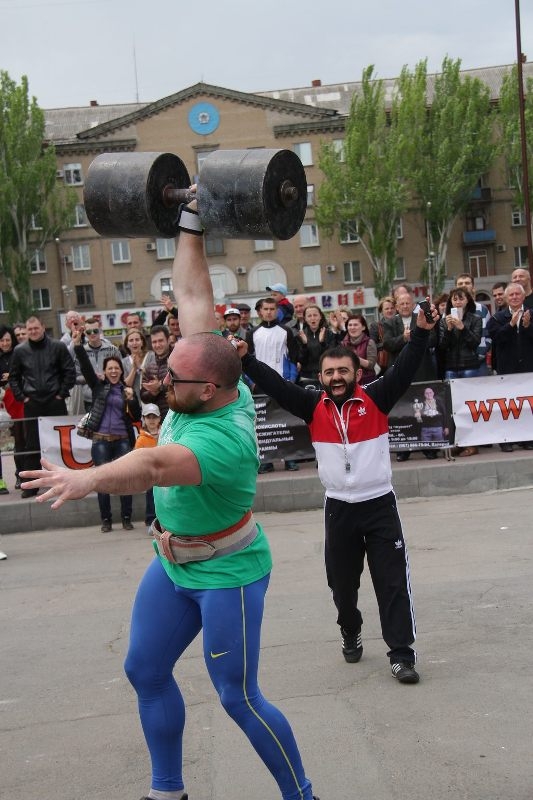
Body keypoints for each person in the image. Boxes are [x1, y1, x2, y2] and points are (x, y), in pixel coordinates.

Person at [20, 199, 318, 800]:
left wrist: (86, 480)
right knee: (145, 669)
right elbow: (192, 293)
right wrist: (190, 224)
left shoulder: (222, 443)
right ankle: (167, 791)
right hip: (173, 561)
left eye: (170, 377)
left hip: (227, 572)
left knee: (238, 697)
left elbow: (153, 465)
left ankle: (302, 796)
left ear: (207, 388)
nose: (158, 378)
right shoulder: (211, 379)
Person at [235, 299, 440, 685]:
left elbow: (406, 366)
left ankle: (401, 654)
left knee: (392, 583)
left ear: (356, 373)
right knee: (342, 586)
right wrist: (246, 360)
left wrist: (422, 332)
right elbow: (277, 386)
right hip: (339, 508)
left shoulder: (376, 397)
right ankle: (350, 628)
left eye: (343, 370)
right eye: (329, 372)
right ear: (321, 376)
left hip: (379, 504)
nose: (336, 377)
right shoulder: (313, 405)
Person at [72, 326, 141, 532]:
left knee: (125, 481)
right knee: (101, 482)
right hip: (100, 441)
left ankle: (126, 518)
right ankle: (106, 520)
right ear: (105, 371)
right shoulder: (98, 386)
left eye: (116, 368)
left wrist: (132, 400)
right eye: (110, 368)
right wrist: (78, 344)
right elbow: (85, 366)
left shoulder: (127, 390)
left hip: (122, 441)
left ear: (121, 371)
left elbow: (136, 416)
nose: (113, 371)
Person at [9, 315, 76, 498]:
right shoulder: (20, 351)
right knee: (32, 444)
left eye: (36, 328)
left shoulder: (58, 346)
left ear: (43, 327)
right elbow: (13, 377)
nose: (33, 332)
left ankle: (63, 482)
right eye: (30, 329)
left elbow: (69, 371)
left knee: (60, 443)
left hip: (55, 401)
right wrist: (22, 397)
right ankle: (30, 486)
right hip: (32, 403)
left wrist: (61, 393)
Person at [246, 297, 300, 473]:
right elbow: (246, 360)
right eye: (266, 309)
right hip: (260, 384)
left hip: (282, 382)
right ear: (260, 312)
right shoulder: (252, 333)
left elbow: (293, 359)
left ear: (277, 310)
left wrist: (291, 380)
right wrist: (252, 382)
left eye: (272, 309)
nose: (269, 312)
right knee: (264, 425)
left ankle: (290, 459)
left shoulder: (286, 331)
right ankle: (267, 461)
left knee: (287, 421)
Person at [383, 293, 437, 461]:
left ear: (413, 304)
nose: (405, 306)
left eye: (408, 303)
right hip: (401, 373)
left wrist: (416, 337)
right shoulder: (389, 323)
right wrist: (403, 338)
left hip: (422, 371)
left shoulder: (421, 317)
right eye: (402, 304)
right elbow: (387, 344)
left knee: (425, 412)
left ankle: (429, 448)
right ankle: (404, 449)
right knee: (403, 412)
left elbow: (433, 339)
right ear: (397, 307)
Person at [486, 282, 533, 452]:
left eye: (517, 294)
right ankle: (506, 440)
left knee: (527, 407)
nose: (514, 297)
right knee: (507, 407)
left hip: (528, 368)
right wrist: (511, 325)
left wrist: (527, 327)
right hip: (506, 370)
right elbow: (497, 338)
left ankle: (527, 438)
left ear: (523, 296)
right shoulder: (497, 318)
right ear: (506, 298)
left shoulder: (531, 314)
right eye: (511, 295)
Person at [439, 288, 482, 458]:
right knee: (453, 407)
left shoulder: (475, 318)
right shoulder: (445, 320)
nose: (457, 302)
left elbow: (475, 343)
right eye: (454, 299)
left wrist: (462, 328)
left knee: (469, 406)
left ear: (467, 300)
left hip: (469, 366)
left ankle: (472, 443)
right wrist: (449, 329)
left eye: (461, 299)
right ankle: (459, 442)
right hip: (451, 367)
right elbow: (442, 346)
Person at [71, 317, 122, 412]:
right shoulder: (81, 352)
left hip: (111, 396)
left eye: (95, 331)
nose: (92, 334)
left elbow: (121, 372)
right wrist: (91, 377)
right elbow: (76, 377)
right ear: (85, 333)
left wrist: (107, 377)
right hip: (89, 399)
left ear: (100, 330)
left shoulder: (112, 350)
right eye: (89, 332)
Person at [0, 325, 25, 491]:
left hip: (16, 402)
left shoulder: (19, 354)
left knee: (21, 440)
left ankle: (21, 475)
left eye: (7, 340)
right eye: (2, 340)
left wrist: (12, 376)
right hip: (2, 402)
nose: (5, 343)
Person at [455, 273, 491, 375]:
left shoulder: (482, 309)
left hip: (478, 363)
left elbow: (487, 335)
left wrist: (480, 355)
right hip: (455, 364)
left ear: (473, 286)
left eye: (467, 283)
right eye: (460, 283)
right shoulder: (449, 310)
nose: (463, 285)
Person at [134, 403, 162, 533]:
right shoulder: (141, 439)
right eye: (148, 417)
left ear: (159, 418)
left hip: (166, 471)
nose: (151, 420)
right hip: (150, 474)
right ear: (144, 419)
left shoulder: (165, 433)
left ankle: (163, 520)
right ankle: (151, 520)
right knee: (151, 495)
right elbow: (137, 458)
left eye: (154, 417)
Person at [297, 304, 335, 387]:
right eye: (309, 316)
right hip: (306, 376)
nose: (312, 318)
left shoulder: (328, 333)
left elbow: (331, 356)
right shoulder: (301, 334)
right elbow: (301, 360)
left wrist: (322, 343)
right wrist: (304, 345)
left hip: (325, 374)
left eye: (315, 315)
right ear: (305, 319)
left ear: (320, 316)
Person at [140, 325, 172, 420]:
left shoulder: (177, 360)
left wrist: (159, 386)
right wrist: (153, 392)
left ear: (168, 340)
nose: (157, 345)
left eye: (160, 341)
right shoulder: (149, 367)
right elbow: (143, 397)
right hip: (158, 420)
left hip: (178, 415)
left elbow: (182, 385)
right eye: (154, 342)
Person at [340, 314, 377, 383]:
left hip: (366, 380)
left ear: (363, 327)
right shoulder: (343, 343)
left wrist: (355, 357)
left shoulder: (369, 342)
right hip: (349, 380)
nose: (352, 327)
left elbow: (371, 365)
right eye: (350, 325)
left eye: (355, 325)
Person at [368, 296, 396, 376]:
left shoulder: (401, 323)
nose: (390, 310)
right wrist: (388, 343)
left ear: (396, 309)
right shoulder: (375, 326)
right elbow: (372, 346)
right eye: (387, 309)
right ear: (381, 311)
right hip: (385, 366)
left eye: (392, 308)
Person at [122, 328, 149, 403]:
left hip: (149, 401)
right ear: (127, 344)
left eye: (137, 340)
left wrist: (139, 366)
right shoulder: (123, 362)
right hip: (133, 402)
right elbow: (127, 384)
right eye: (131, 340)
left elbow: (151, 378)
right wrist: (134, 368)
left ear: (142, 342)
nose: (134, 343)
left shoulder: (150, 356)